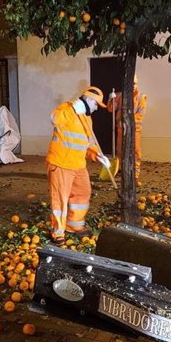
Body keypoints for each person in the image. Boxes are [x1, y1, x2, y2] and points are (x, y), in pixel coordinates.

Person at [46, 86, 110, 244]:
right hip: (61, 163)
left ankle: (74, 225)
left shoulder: (87, 118)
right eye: (96, 104)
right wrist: (74, 109)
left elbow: (87, 143)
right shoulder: (67, 108)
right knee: (60, 199)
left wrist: (97, 155)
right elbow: (55, 119)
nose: (96, 108)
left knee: (83, 193)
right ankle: (58, 233)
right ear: (88, 100)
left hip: (78, 164)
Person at [107, 75, 148, 179]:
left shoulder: (141, 97)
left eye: (135, 83)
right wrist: (110, 99)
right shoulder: (119, 96)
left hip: (135, 130)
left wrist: (127, 120)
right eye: (131, 83)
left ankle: (135, 171)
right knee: (120, 150)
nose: (133, 86)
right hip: (121, 129)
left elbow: (140, 115)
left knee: (135, 151)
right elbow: (111, 109)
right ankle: (121, 169)